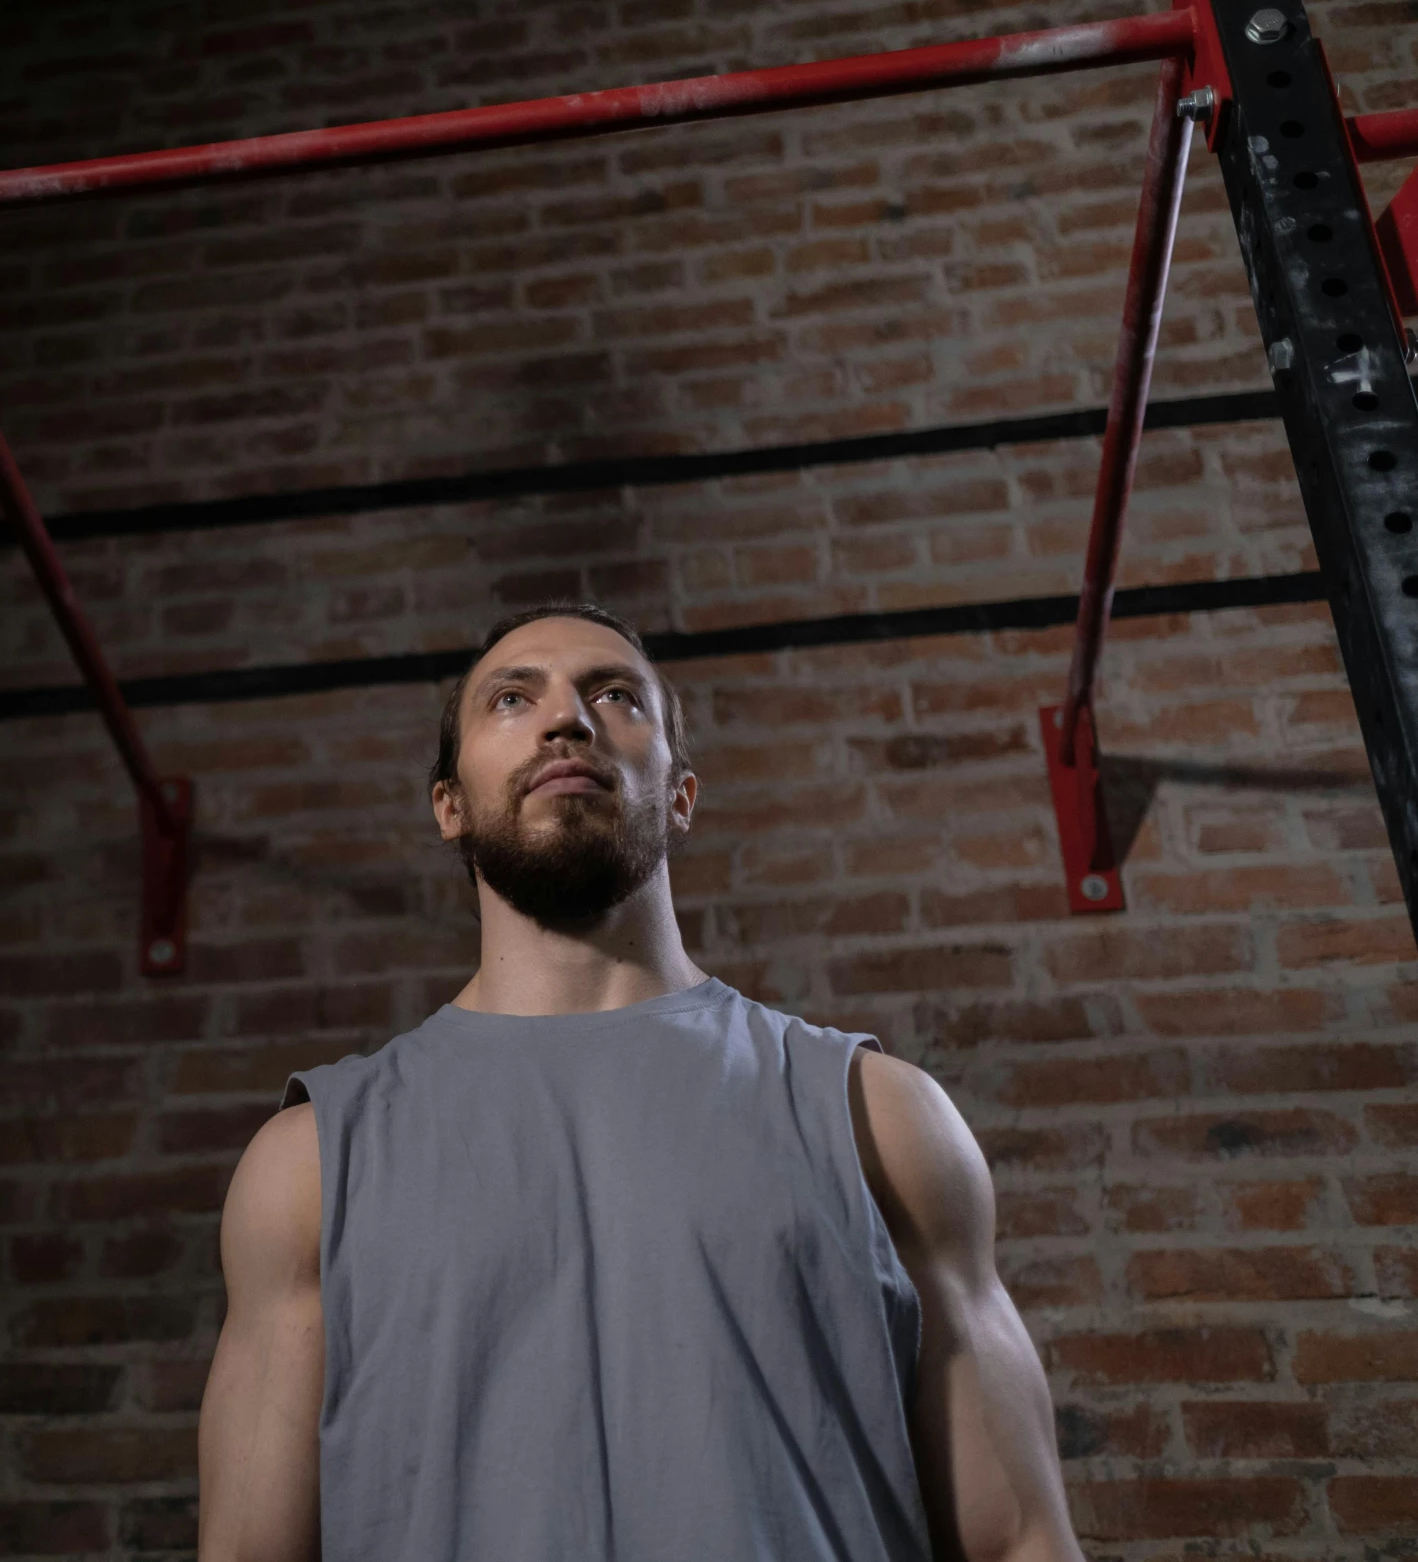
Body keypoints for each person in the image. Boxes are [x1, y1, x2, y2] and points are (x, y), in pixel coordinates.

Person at [197, 603, 1082, 1562]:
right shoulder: (312, 1162)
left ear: (682, 794)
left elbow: (1021, 1540)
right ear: (449, 803)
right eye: (511, 698)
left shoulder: (880, 1114)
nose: (567, 718)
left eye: (615, 694)